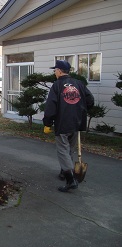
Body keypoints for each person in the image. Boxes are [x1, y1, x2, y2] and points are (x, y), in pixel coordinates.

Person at [43, 60, 94, 192]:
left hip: (63, 123)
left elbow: (50, 106)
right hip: (77, 122)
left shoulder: (57, 85)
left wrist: (47, 122)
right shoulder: (79, 84)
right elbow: (90, 100)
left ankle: (70, 180)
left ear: (60, 71)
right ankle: (64, 172)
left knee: (62, 151)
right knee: (69, 150)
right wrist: (80, 109)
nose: (54, 72)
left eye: (55, 70)